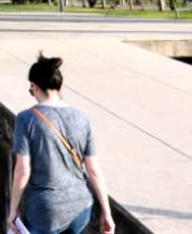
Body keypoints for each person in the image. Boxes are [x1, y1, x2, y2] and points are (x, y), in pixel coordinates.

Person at [8, 54, 115, 234]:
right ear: (61, 86)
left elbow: (22, 169)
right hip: (80, 207)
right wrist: (107, 212)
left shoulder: (26, 119)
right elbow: (94, 171)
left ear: (34, 87)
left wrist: (13, 209)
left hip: (44, 209)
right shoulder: (83, 118)